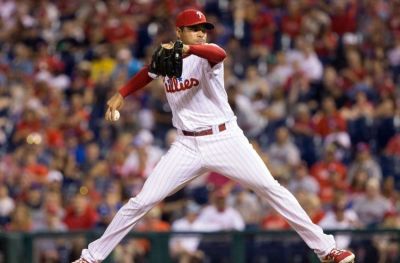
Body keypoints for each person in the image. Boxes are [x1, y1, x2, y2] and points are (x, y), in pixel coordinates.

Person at [73, 9, 355, 263]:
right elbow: (149, 71)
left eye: (203, 28)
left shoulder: (206, 53)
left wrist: (189, 48)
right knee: (141, 202)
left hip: (225, 139)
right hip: (186, 145)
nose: (201, 33)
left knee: (272, 189)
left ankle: (326, 249)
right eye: (195, 28)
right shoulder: (170, 58)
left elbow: (219, 55)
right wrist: (121, 94)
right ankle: (91, 258)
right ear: (179, 31)